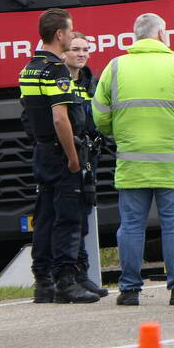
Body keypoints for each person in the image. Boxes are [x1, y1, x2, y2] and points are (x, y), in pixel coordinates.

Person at [92, 13, 174, 306]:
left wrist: (118, 134)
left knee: (131, 225)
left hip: (132, 162)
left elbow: (99, 114)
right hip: (173, 162)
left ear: (136, 36)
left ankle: (130, 290)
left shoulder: (116, 67)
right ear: (162, 34)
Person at [19, 8, 99, 304]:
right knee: (67, 218)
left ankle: (43, 282)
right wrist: (73, 157)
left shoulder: (29, 67)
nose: (71, 34)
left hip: (41, 150)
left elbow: (29, 112)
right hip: (61, 152)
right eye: (70, 30)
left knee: (44, 217)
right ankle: (66, 282)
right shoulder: (56, 70)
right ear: (60, 35)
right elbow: (60, 118)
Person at [62, 32, 110, 295]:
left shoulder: (94, 82)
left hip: (90, 158)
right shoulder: (58, 82)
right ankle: (71, 275)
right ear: (63, 53)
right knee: (69, 219)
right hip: (68, 157)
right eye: (75, 49)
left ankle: (83, 272)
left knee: (84, 216)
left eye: (85, 49)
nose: (81, 54)